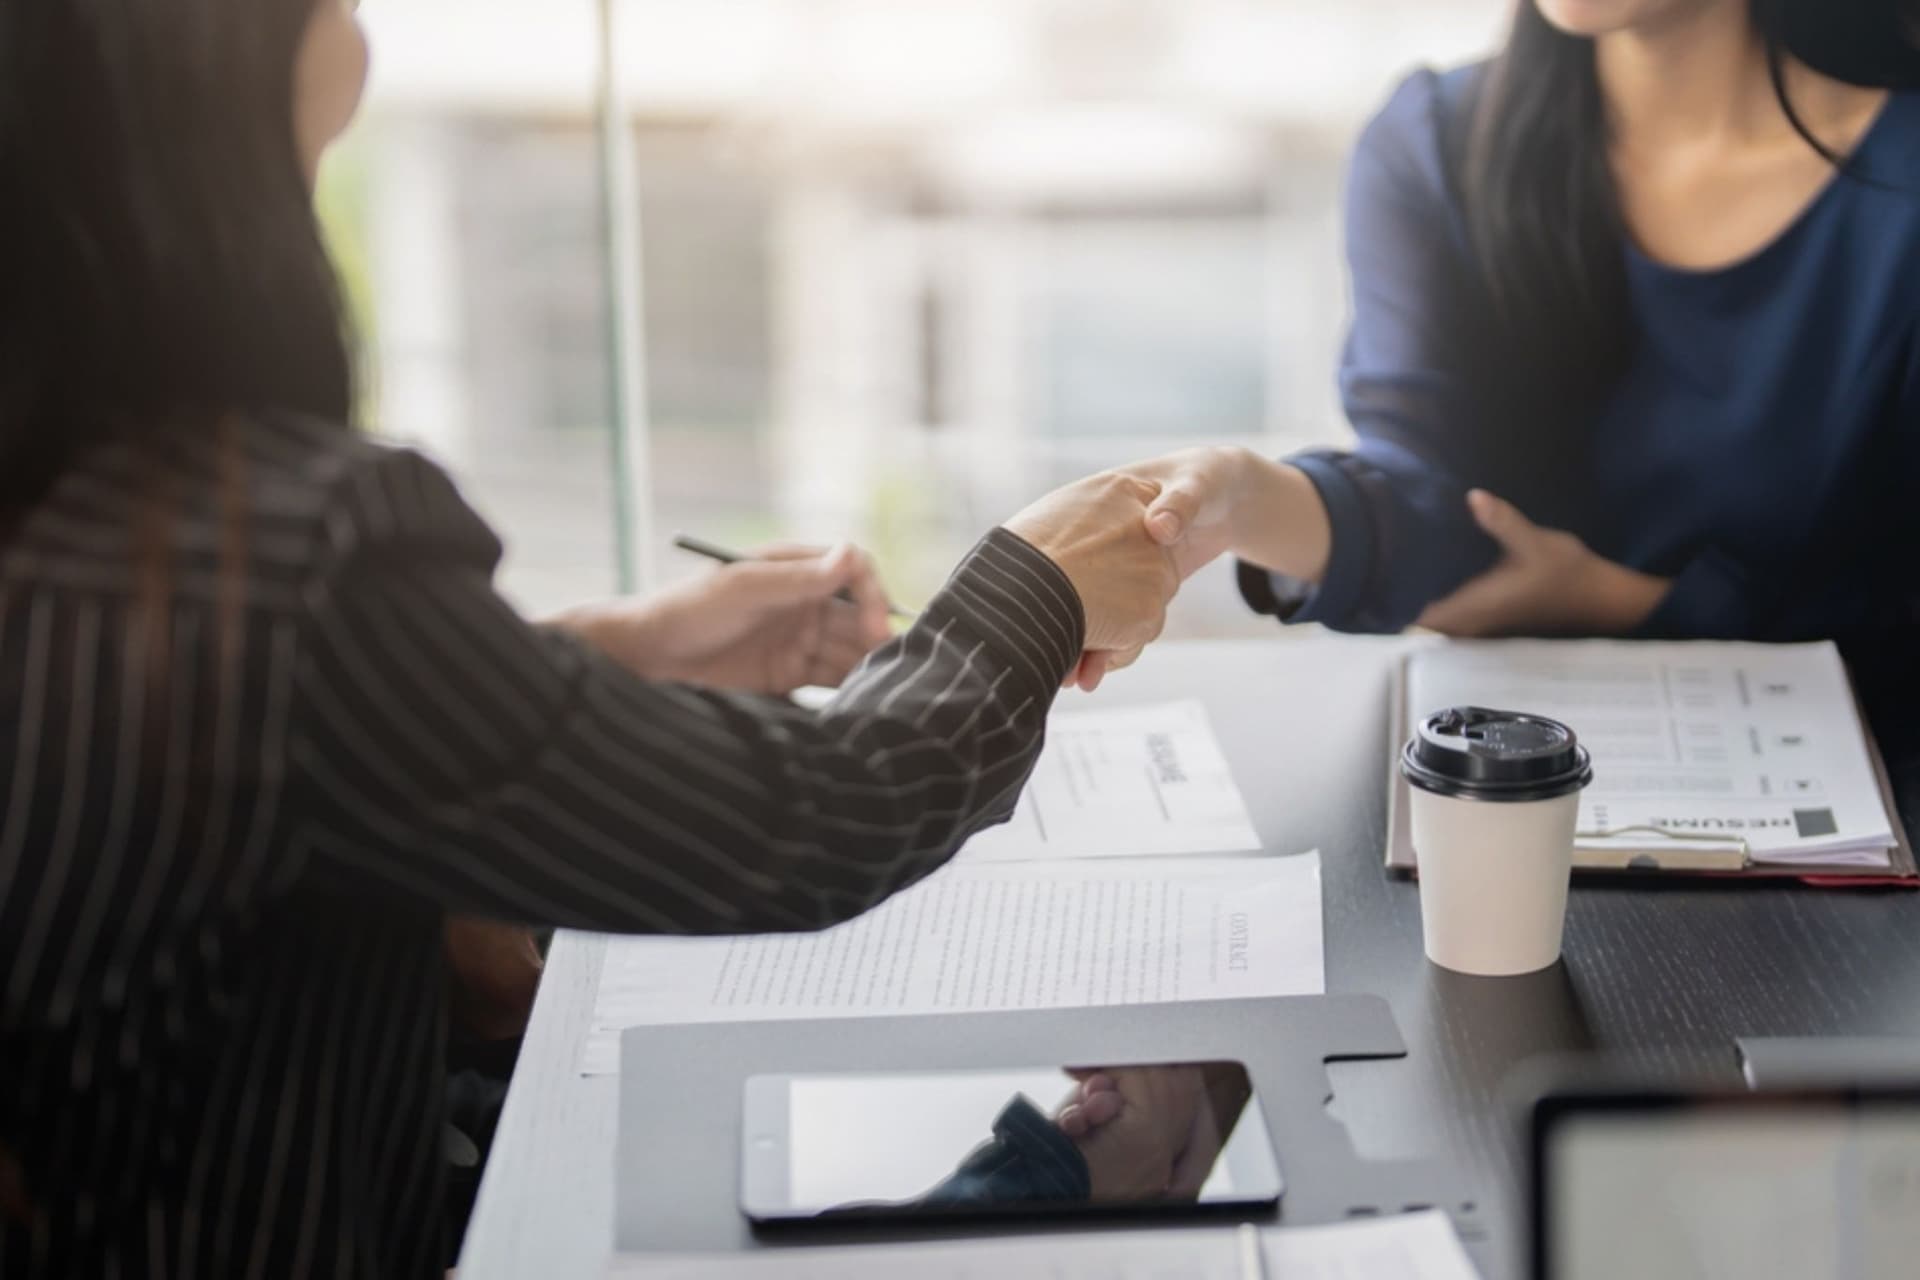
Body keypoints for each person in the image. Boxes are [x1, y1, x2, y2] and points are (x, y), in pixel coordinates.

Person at [0, 1, 1185, 1275]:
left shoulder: (83, 506)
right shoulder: (284, 547)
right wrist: (1039, 582)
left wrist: (626, 649)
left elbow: (216, 723)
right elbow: (814, 816)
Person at [1115, 0, 1920, 652]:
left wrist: (1622, 604)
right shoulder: (1434, 143)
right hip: (1510, 779)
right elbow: (1428, 501)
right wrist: (1244, 498)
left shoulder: (1900, 182)